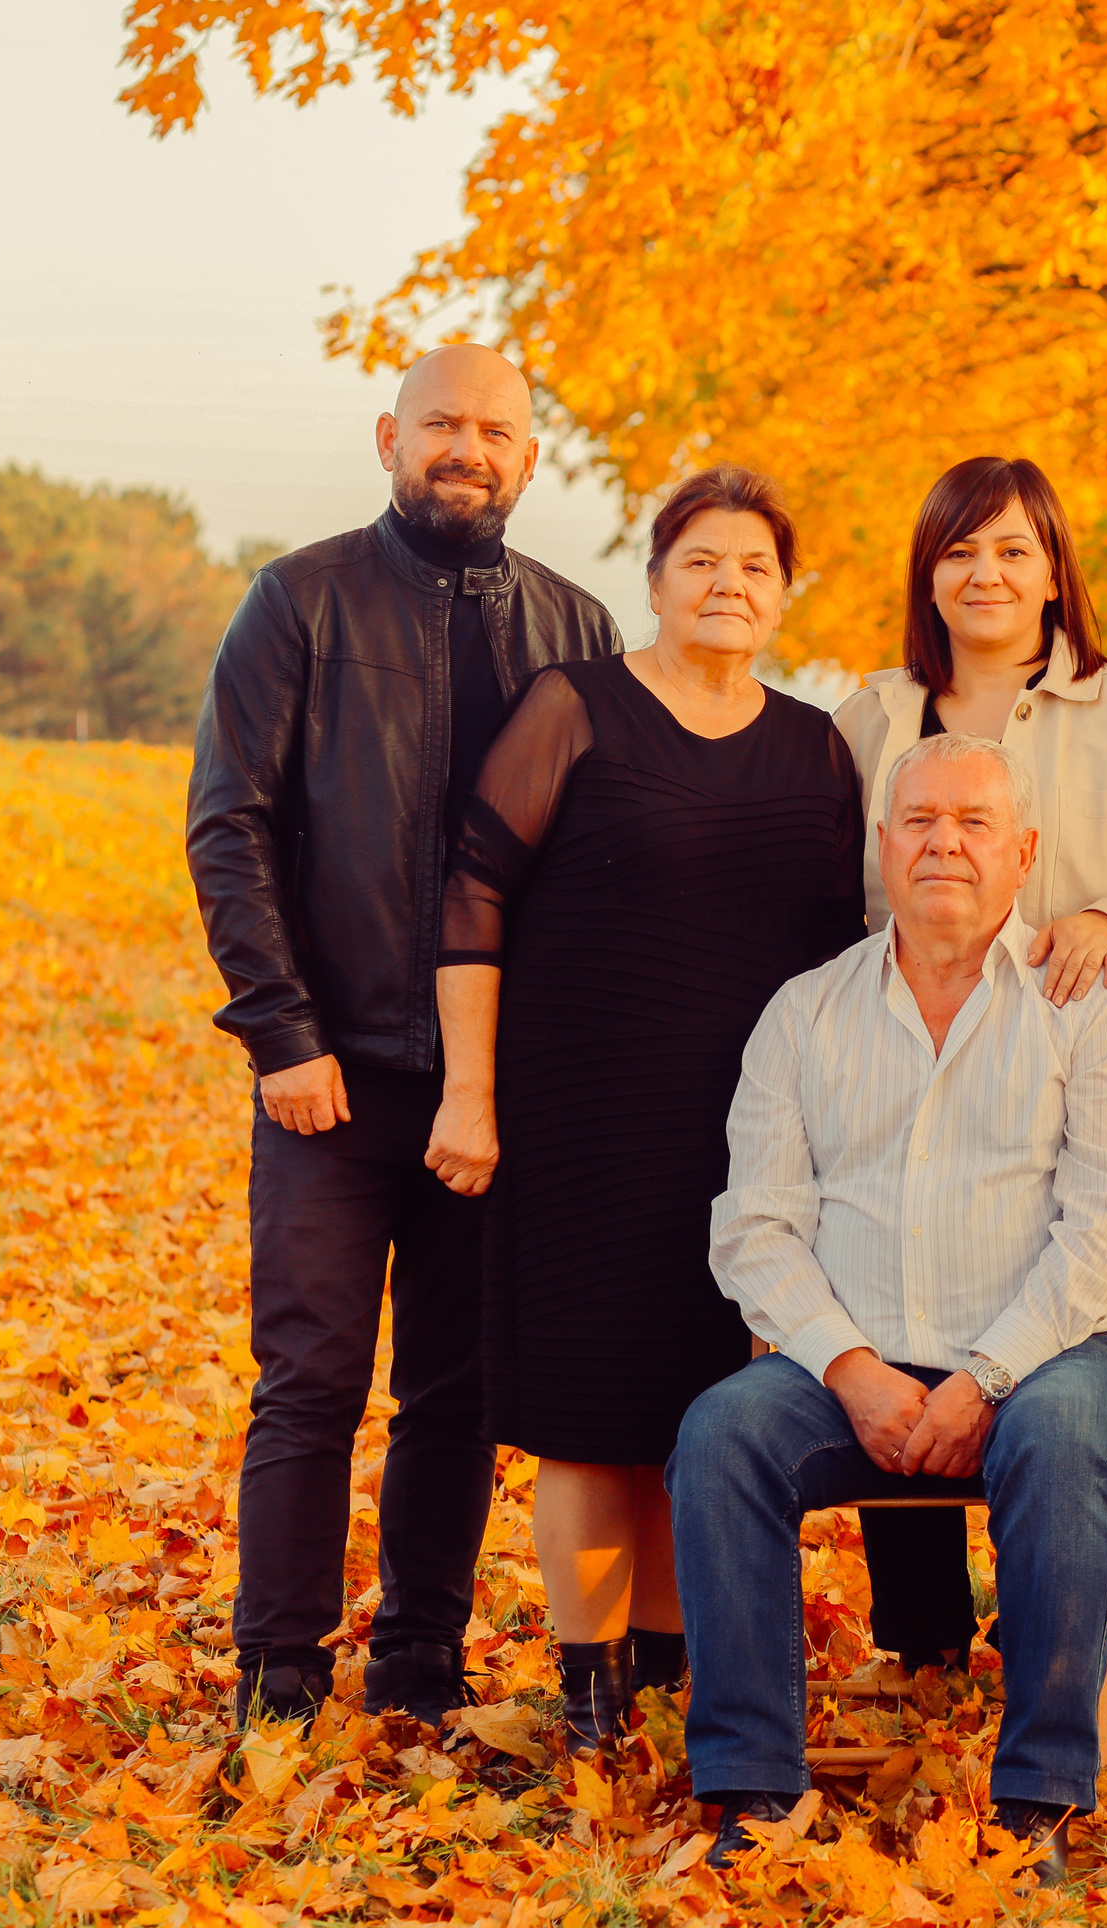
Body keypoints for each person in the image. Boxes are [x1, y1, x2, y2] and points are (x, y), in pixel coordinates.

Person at [185, 345, 623, 1729]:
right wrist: (282, 1035)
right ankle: (281, 1667)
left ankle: (420, 1655)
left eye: (497, 431)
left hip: (488, 1092)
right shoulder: (299, 601)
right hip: (332, 1075)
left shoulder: (580, 630)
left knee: (458, 1390)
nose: (468, 449)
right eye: (443, 424)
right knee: (311, 1375)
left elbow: (603, 864)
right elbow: (231, 824)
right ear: (391, 436)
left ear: (530, 459)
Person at [678, 732, 1107, 1883]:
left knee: (1059, 1442)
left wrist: (986, 1375)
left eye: (972, 822)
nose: (944, 842)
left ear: (1023, 852)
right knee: (720, 1434)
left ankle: (1037, 1803)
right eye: (919, 820)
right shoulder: (805, 1012)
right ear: (882, 843)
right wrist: (849, 1366)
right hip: (843, 1358)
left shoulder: (1091, 1007)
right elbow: (755, 1224)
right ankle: (752, 1789)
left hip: (1048, 1354)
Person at [422, 464, 865, 1751]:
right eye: (701, 561)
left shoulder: (816, 743)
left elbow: (838, 956)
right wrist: (469, 1092)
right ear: (658, 580)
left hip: (748, 1144)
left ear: (785, 597)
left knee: (701, 1415)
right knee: (585, 1416)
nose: (728, 585)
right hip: (581, 1127)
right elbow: (473, 895)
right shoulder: (577, 707)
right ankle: (589, 1685)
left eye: (755, 567)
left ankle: (672, 1673)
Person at [833, 454, 1107, 1677]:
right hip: (907, 1070)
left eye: (1011, 548)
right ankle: (924, 1638)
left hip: (1076, 1084)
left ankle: (1050, 1644)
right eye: (959, 549)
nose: (985, 571)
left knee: (1052, 1350)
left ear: (1053, 569)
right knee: (896, 1315)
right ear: (927, 574)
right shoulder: (871, 713)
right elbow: (830, 895)